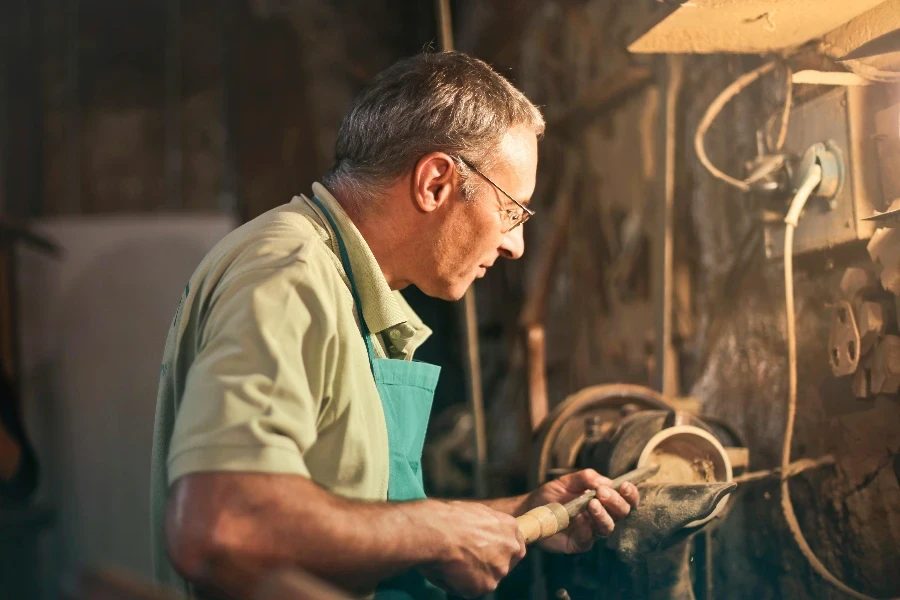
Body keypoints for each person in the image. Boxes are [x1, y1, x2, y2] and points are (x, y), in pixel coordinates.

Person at [150, 51, 639, 599]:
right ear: (435, 182)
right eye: (511, 211)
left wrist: (513, 516)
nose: (514, 246)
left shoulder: (341, 283)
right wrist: (436, 531)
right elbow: (220, 525)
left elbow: (346, 523)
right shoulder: (289, 277)